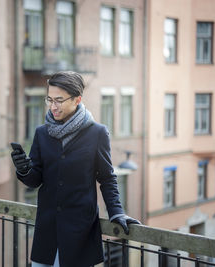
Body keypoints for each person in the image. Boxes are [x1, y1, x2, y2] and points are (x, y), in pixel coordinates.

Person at [11, 71, 140, 267]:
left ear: (77, 99)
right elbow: (35, 180)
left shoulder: (97, 133)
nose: (53, 106)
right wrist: (23, 169)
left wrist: (116, 212)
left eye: (59, 100)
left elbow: (107, 178)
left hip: (79, 233)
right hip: (47, 232)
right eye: (50, 100)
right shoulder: (42, 133)